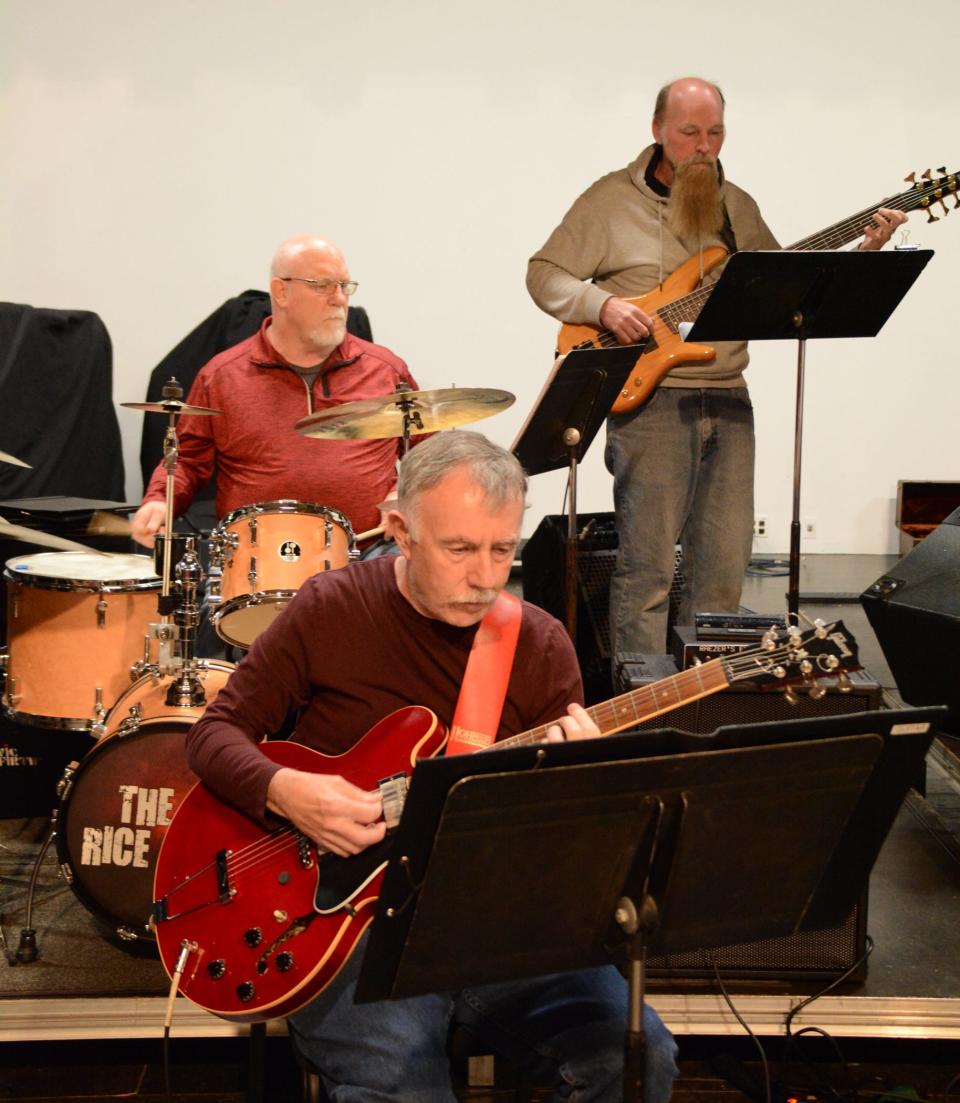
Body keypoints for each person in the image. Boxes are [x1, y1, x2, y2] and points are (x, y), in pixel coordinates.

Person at [185, 430, 679, 1103]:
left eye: (501, 550)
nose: (484, 576)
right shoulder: (330, 608)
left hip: (493, 918)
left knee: (637, 1062)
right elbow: (214, 735)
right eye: (460, 549)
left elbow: (565, 852)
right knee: (400, 1086)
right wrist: (287, 790)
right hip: (345, 922)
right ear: (400, 530)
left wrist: (578, 788)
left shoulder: (537, 644)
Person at [526, 77, 907, 656]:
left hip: (730, 398)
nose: (704, 146)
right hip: (651, 403)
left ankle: (705, 700)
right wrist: (600, 304)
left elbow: (783, 288)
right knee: (648, 571)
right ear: (657, 131)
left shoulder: (738, 206)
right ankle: (642, 705)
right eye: (689, 133)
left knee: (723, 571)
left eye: (715, 133)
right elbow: (544, 273)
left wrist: (864, 252)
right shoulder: (608, 200)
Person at [132, 234, 419, 552]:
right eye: (322, 285)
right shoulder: (223, 376)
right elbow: (186, 461)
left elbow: (431, 455)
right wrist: (160, 500)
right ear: (281, 291)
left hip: (368, 553)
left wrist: (404, 494)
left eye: (344, 286)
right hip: (259, 563)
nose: (339, 299)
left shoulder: (385, 369)